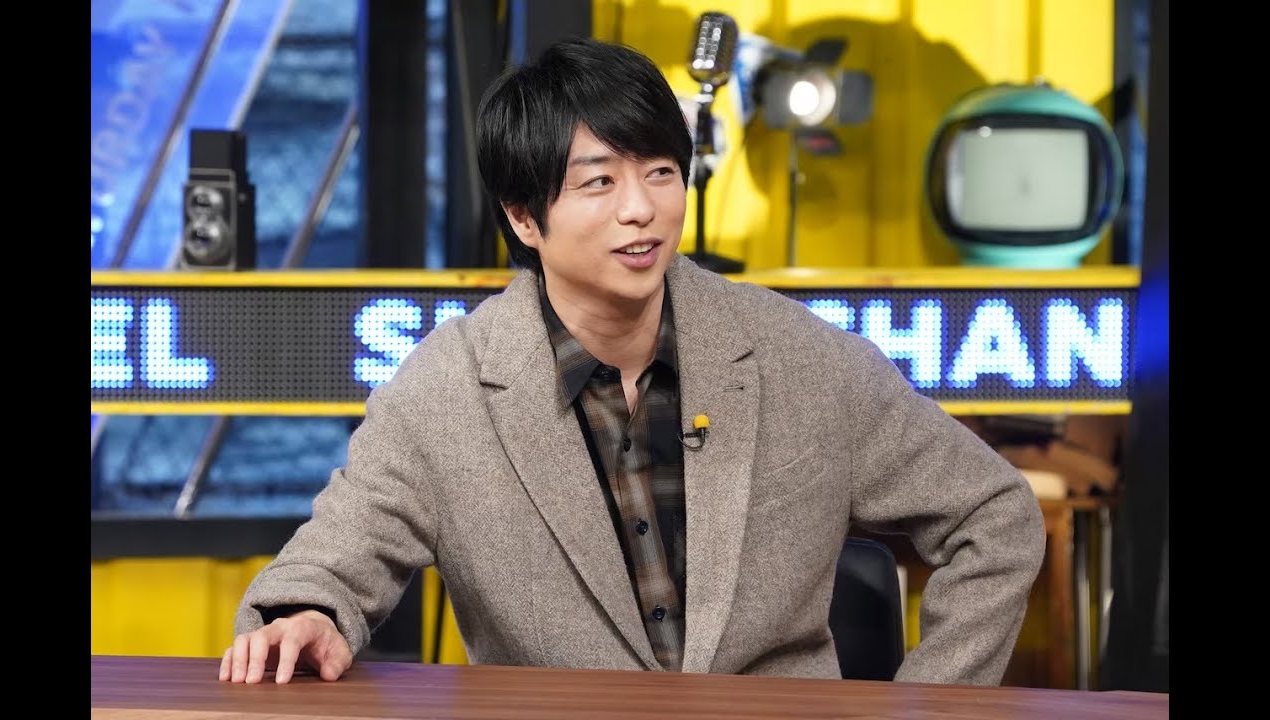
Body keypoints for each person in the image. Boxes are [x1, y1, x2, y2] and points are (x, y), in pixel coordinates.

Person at [219, 36, 1045, 686]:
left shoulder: (802, 358)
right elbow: (334, 558)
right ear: (525, 217)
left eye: (659, 172)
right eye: (599, 183)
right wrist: (308, 614)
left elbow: (995, 514)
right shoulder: (445, 393)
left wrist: (929, 701)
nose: (642, 208)